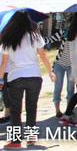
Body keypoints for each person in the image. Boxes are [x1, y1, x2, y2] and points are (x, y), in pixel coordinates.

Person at [0, 10, 55, 148]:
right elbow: (43, 55)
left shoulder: (8, 38)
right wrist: (50, 71)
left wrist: (0, 79)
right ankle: (31, 138)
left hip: (15, 77)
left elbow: (4, 62)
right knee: (31, 108)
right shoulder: (35, 36)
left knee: (15, 110)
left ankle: (16, 141)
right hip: (34, 76)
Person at [44, 25, 75, 118]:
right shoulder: (64, 32)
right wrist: (38, 39)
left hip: (72, 65)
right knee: (58, 87)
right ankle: (57, 111)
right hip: (59, 64)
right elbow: (50, 39)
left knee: (70, 88)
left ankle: (69, 110)